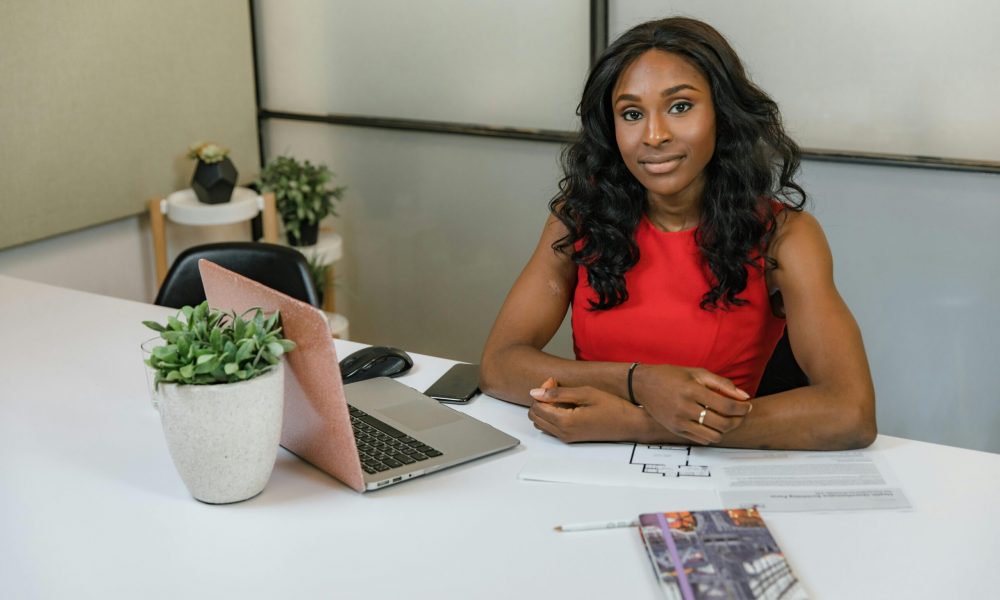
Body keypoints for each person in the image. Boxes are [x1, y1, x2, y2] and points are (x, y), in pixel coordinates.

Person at [479, 17, 876, 450]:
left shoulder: (786, 237)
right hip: (586, 464)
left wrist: (640, 424)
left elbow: (850, 413)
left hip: (714, 472)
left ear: (722, 115)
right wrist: (641, 382)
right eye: (632, 114)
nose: (654, 135)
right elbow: (500, 365)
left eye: (680, 106)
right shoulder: (577, 220)